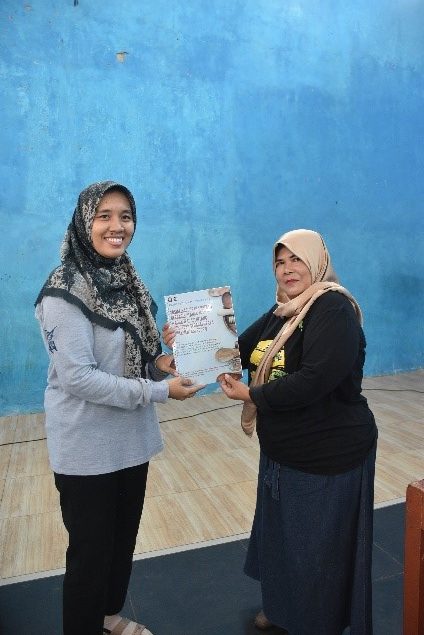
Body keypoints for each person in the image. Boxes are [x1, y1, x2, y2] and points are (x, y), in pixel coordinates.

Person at [35, 181, 203, 635]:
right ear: (84, 221)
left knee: (120, 544)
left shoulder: (129, 282)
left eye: (125, 216)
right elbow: (79, 378)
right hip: (86, 448)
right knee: (89, 556)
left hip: (131, 441)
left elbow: (138, 362)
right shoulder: (63, 290)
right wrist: (160, 392)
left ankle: (108, 617)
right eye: (104, 215)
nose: (117, 226)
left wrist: (163, 364)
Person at [219, 229, 378, 635]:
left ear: (317, 262)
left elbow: (313, 380)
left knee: (316, 551)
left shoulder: (332, 309)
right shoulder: (284, 311)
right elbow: (236, 351)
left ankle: (314, 622)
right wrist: (191, 342)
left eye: (296, 259)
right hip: (284, 452)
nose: (287, 269)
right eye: (279, 261)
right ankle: (283, 608)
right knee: (283, 541)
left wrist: (252, 394)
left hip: (326, 456)